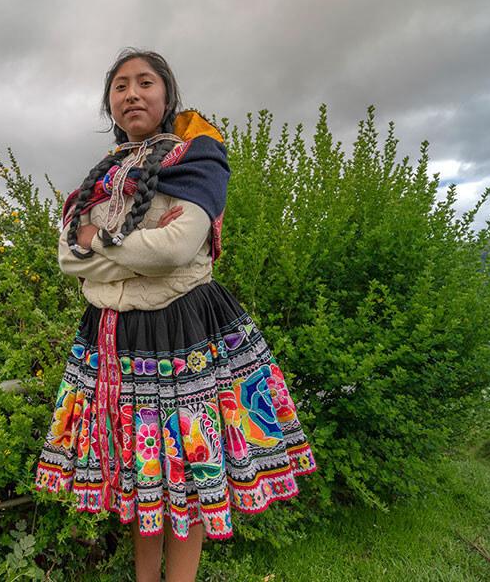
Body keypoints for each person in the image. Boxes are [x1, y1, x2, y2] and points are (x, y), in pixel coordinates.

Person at [34, 48, 317, 582]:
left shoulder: (195, 159)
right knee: (144, 475)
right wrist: (124, 254)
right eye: (120, 86)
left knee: (184, 471)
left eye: (145, 83)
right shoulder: (103, 176)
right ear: (109, 104)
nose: (132, 93)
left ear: (167, 97)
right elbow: (66, 257)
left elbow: (176, 249)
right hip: (113, 340)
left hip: (181, 332)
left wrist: (102, 245)